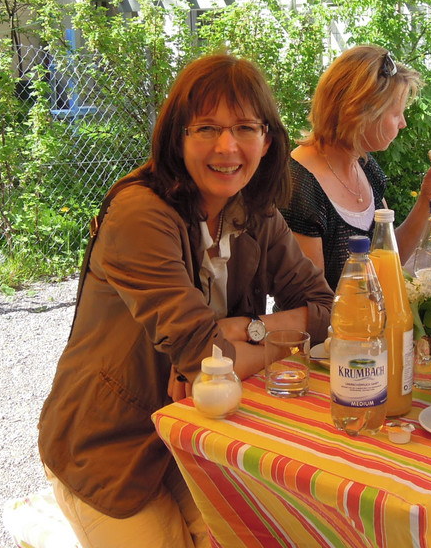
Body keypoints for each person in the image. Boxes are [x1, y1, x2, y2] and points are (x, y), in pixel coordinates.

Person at [37, 53, 333, 548]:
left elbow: (324, 308)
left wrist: (247, 330)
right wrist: (264, 341)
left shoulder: (255, 211)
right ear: (177, 136)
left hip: (199, 434)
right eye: (206, 129)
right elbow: (207, 360)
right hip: (112, 445)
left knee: (266, 533)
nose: (227, 146)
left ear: (267, 138)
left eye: (244, 127)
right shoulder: (140, 214)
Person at [279, 44, 431, 289]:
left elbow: (388, 259)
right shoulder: (300, 185)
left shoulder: (364, 165)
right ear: (361, 112)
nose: (403, 123)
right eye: (396, 113)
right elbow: (314, 303)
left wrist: (427, 200)